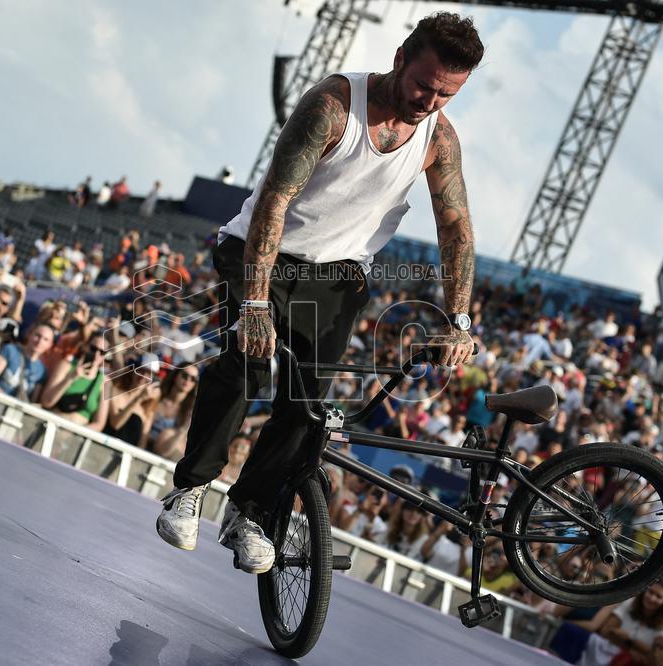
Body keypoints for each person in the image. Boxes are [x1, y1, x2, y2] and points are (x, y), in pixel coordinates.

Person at [156, 12, 483, 574]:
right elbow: (273, 205)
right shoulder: (331, 107)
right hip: (263, 252)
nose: (430, 102)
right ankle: (189, 489)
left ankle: (251, 512)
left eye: (446, 95)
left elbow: (455, 227)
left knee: (308, 406)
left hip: (337, 273)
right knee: (247, 364)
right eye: (424, 86)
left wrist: (459, 320)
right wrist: (255, 304)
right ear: (401, 57)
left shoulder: (439, 139)